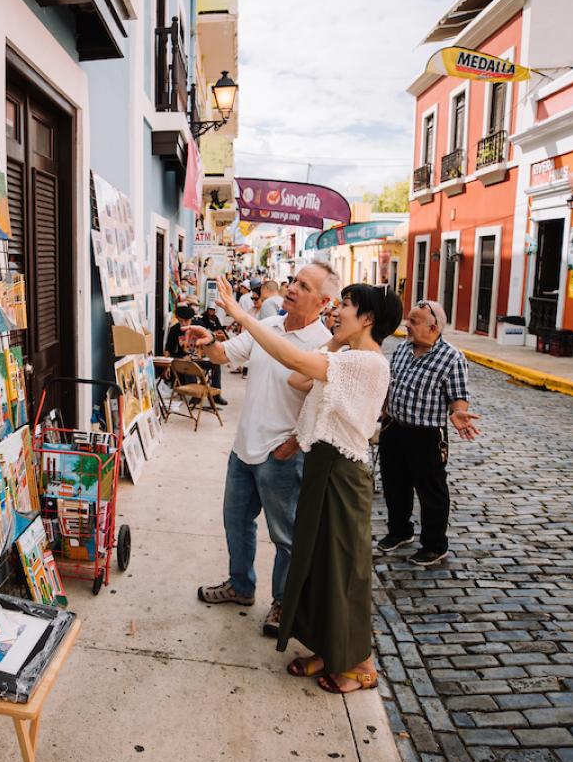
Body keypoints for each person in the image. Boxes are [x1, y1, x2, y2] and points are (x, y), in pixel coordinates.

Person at [206, 277, 404, 695]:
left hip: (343, 473)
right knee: (316, 567)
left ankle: (361, 665)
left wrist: (242, 315)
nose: (338, 312)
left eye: (347, 306)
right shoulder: (345, 356)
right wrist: (333, 343)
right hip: (322, 467)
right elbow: (299, 383)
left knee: (343, 571)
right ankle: (328, 649)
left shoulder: (367, 363)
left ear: (367, 318)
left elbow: (295, 365)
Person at [189, 262, 339, 636]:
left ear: (322, 301)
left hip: (282, 456)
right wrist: (208, 342)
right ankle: (241, 587)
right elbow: (225, 356)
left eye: (303, 286)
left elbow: (320, 408)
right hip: (244, 449)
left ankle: (283, 602)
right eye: (292, 281)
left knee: (285, 536)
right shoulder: (266, 327)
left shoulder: (325, 344)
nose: (291, 288)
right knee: (236, 523)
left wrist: (291, 446)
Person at [377, 300, 479, 567]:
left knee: (431, 492)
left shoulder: (451, 357)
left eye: (413, 321)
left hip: (427, 435)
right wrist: (384, 410)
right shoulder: (401, 349)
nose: (407, 325)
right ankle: (400, 531)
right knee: (393, 484)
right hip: (394, 429)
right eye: (408, 319)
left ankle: (435, 545)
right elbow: (391, 382)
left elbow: (459, 396)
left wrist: (458, 412)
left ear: (433, 327)